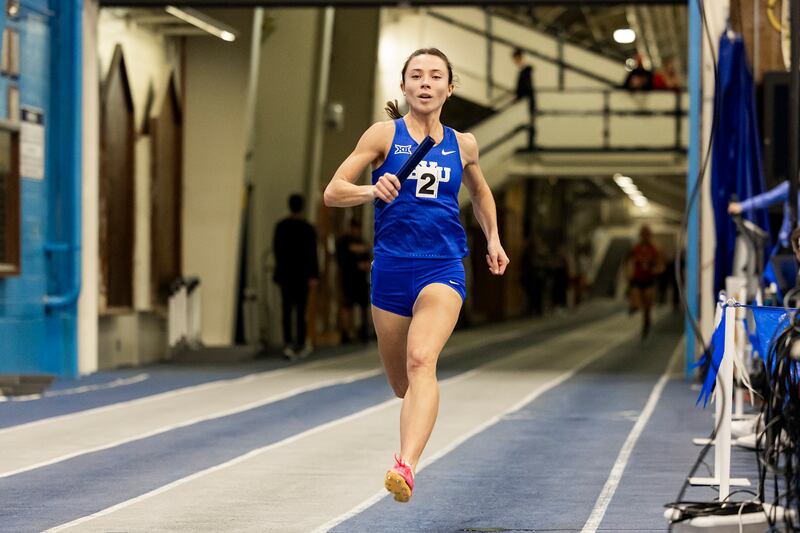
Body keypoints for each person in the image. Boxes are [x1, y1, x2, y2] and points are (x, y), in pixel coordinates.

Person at [323, 47, 509, 503]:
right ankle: (412, 435)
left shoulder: (463, 144)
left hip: (442, 266)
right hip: (390, 270)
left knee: (422, 360)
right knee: (403, 384)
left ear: (450, 87)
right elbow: (332, 192)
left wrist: (493, 238)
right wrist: (372, 187)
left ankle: (404, 467)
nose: (425, 83)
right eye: (416, 76)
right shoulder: (383, 135)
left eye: (435, 76)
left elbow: (481, 193)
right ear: (404, 86)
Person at [273, 194, 319, 360]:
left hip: (286, 274)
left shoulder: (281, 227)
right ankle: (300, 343)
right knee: (301, 310)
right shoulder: (307, 228)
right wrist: (314, 275)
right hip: (303, 275)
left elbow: (277, 251)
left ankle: (287, 344)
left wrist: (278, 271)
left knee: (286, 309)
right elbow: (312, 254)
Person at [336, 217, 371, 343]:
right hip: (348, 278)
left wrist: (366, 265)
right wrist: (357, 265)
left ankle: (363, 331)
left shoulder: (362, 242)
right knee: (347, 305)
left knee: (363, 306)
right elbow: (341, 260)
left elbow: (369, 256)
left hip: (361, 279)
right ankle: (345, 332)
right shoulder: (343, 242)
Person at [626, 225, 664, 338]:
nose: (645, 237)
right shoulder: (635, 249)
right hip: (637, 281)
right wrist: (628, 273)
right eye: (643, 235)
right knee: (637, 304)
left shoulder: (654, 249)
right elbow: (628, 261)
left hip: (649, 281)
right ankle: (634, 305)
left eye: (647, 235)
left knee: (647, 309)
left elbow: (661, 264)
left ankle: (646, 324)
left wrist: (657, 269)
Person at [512, 48, 536, 150]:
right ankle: (529, 143)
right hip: (526, 101)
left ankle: (530, 144)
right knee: (529, 121)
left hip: (527, 101)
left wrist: (518, 96)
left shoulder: (525, 71)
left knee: (529, 122)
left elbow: (526, 87)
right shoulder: (524, 70)